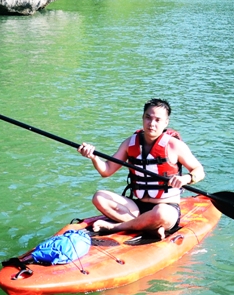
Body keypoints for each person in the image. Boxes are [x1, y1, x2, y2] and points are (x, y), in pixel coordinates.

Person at [78, 99, 205, 240]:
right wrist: (93, 157)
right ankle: (148, 227)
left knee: (160, 213)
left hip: (166, 208)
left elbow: (199, 170)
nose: (152, 123)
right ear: (143, 118)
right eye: (148, 117)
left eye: (158, 119)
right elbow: (106, 170)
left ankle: (116, 227)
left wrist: (185, 178)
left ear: (166, 123)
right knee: (99, 197)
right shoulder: (130, 143)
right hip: (136, 208)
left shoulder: (174, 146)